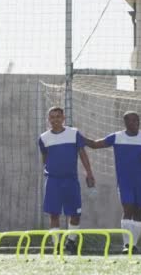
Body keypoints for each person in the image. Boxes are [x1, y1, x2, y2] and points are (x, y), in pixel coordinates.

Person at [86, 111, 141, 253]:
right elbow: (95, 144)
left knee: (138, 211)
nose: (134, 123)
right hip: (125, 181)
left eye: (137, 120)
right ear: (125, 122)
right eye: (131, 121)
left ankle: (134, 245)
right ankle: (126, 245)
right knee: (128, 209)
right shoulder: (117, 137)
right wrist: (81, 139)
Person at [38, 106, 95, 255]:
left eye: (58, 116)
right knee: (54, 214)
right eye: (52, 117)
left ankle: (70, 242)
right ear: (48, 119)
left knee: (75, 214)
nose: (55, 119)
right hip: (53, 181)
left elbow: (82, 154)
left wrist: (89, 173)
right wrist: (46, 168)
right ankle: (57, 245)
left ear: (63, 118)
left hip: (71, 180)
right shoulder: (43, 138)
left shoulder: (74, 134)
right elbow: (45, 156)